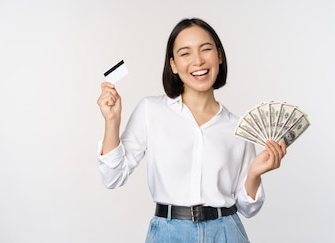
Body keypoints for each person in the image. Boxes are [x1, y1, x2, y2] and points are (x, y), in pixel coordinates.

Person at [96, 18, 287, 243]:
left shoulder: (238, 127)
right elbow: (113, 177)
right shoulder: (151, 110)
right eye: (185, 53)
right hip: (168, 234)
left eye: (206, 49)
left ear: (219, 56)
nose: (198, 60)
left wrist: (254, 172)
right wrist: (112, 121)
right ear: (174, 65)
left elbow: (248, 208)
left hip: (226, 232)